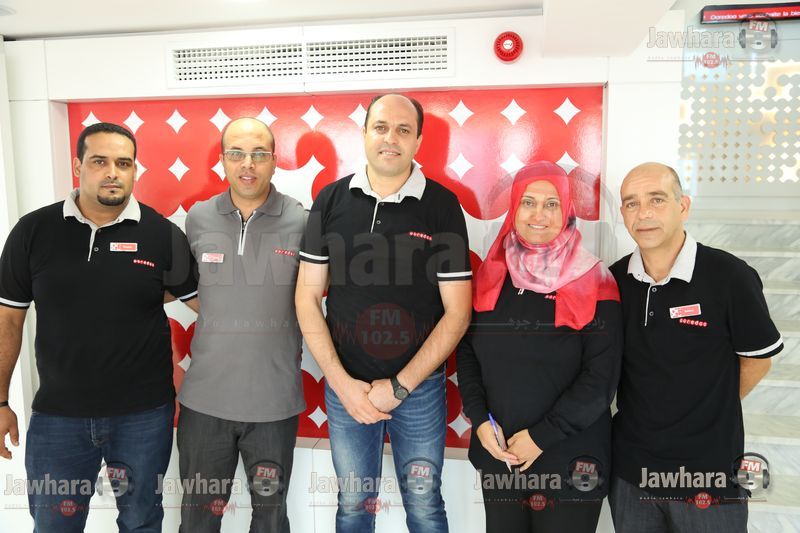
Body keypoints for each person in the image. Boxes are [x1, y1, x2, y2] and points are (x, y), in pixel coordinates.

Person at [0, 122, 198, 532]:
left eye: (123, 163)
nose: (112, 172)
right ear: (78, 167)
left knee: (142, 522)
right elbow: (8, 321)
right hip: (59, 417)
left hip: (144, 416)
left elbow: (206, 302)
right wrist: (0, 402)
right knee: (53, 526)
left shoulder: (163, 235)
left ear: (135, 170)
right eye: (99, 162)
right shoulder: (33, 231)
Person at [295, 93, 472, 532]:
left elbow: (458, 312)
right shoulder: (330, 200)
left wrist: (400, 386)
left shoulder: (442, 205)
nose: (390, 138)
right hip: (346, 387)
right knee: (354, 503)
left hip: (419, 389)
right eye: (381, 127)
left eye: (403, 130)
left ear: (418, 141)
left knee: (424, 503)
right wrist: (342, 384)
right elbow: (306, 297)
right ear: (364, 133)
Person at [608, 162, 783, 532]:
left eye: (656, 199)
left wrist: (705, 408)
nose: (643, 213)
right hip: (631, 473)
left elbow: (758, 360)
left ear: (683, 206)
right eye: (632, 203)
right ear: (622, 213)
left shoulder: (729, 276)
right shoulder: (613, 281)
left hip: (709, 475)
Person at [457, 163, 622, 532]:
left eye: (551, 204)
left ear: (567, 211)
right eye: (528, 202)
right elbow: (468, 353)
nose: (538, 214)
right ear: (514, 208)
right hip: (501, 456)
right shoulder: (492, 273)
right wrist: (480, 420)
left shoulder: (596, 280)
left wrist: (539, 438)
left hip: (570, 462)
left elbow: (601, 380)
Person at [176, 117, 306, 532]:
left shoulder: (302, 220)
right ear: (222, 160)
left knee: (270, 520)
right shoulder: (198, 217)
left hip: (274, 404)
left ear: (274, 161)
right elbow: (188, 287)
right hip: (204, 404)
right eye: (236, 153)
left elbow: (314, 300)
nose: (247, 164)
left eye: (258, 154)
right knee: (198, 520)